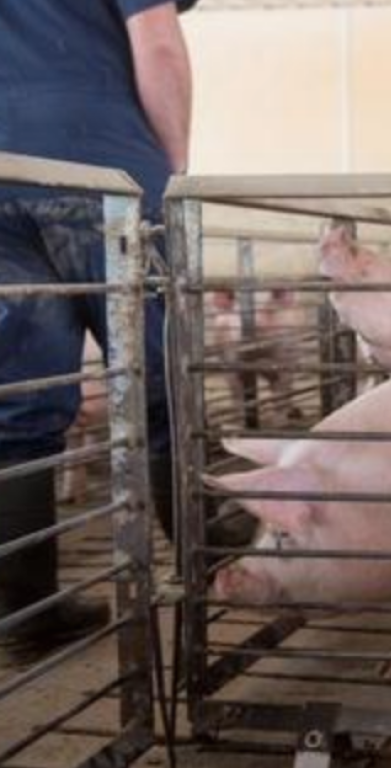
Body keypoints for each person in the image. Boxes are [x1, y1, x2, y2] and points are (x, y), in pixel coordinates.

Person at [0, 0, 196, 669]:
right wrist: (171, 172)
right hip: (100, 161)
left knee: (21, 403)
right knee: (163, 384)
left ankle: (26, 608)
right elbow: (160, 44)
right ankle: (210, 571)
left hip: (1, 177)